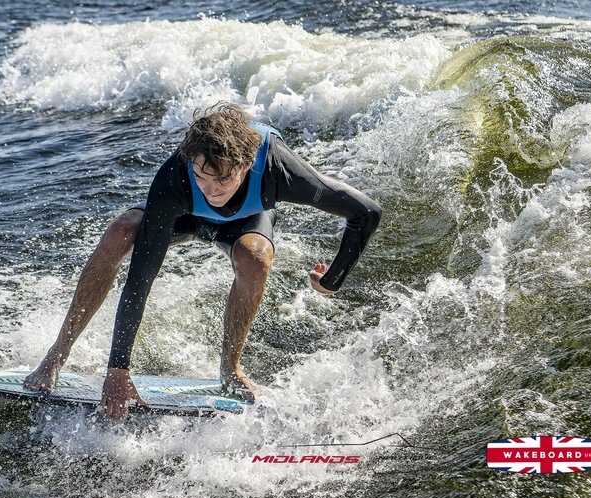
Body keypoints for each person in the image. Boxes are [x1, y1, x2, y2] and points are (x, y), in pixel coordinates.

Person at [24, 102, 382, 419]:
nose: (210, 190)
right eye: (201, 177)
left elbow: (366, 212)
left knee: (254, 258)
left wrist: (332, 280)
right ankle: (57, 354)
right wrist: (117, 371)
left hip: (246, 220)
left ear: (246, 164)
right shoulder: (175, 177)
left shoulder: (281, 171)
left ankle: (231, 370)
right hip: (185, 216)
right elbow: (140, 279)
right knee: (121, 230)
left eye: (222, 179)